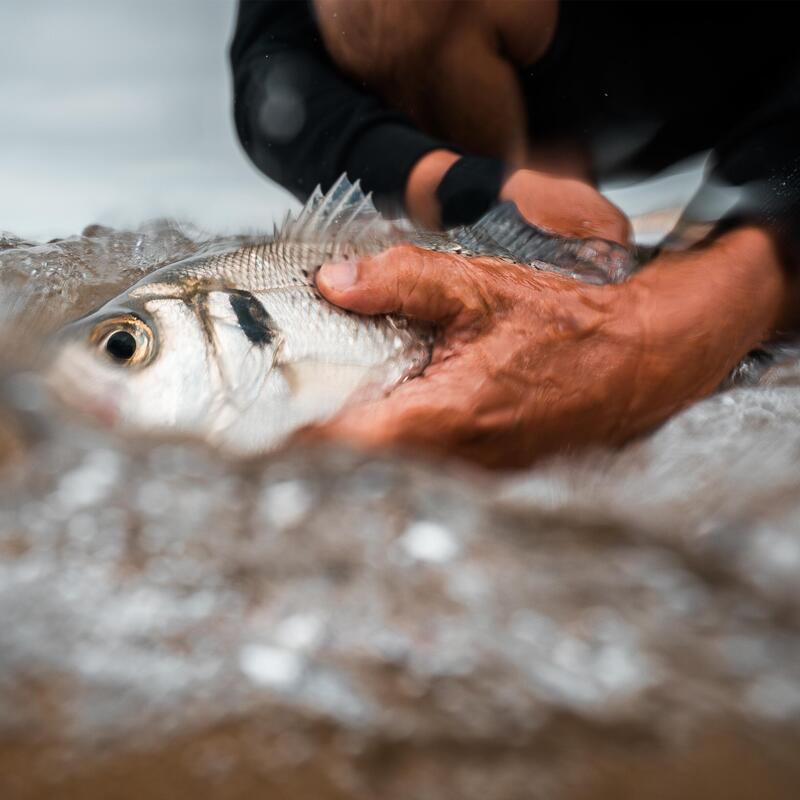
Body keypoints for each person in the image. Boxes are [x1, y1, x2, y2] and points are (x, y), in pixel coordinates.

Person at [230, 0, 800, 468]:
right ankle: (551, 275)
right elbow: (271, 57)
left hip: (755, 56)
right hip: (556, 70)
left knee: (734, 304)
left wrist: (734, 275)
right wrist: (463, 184)